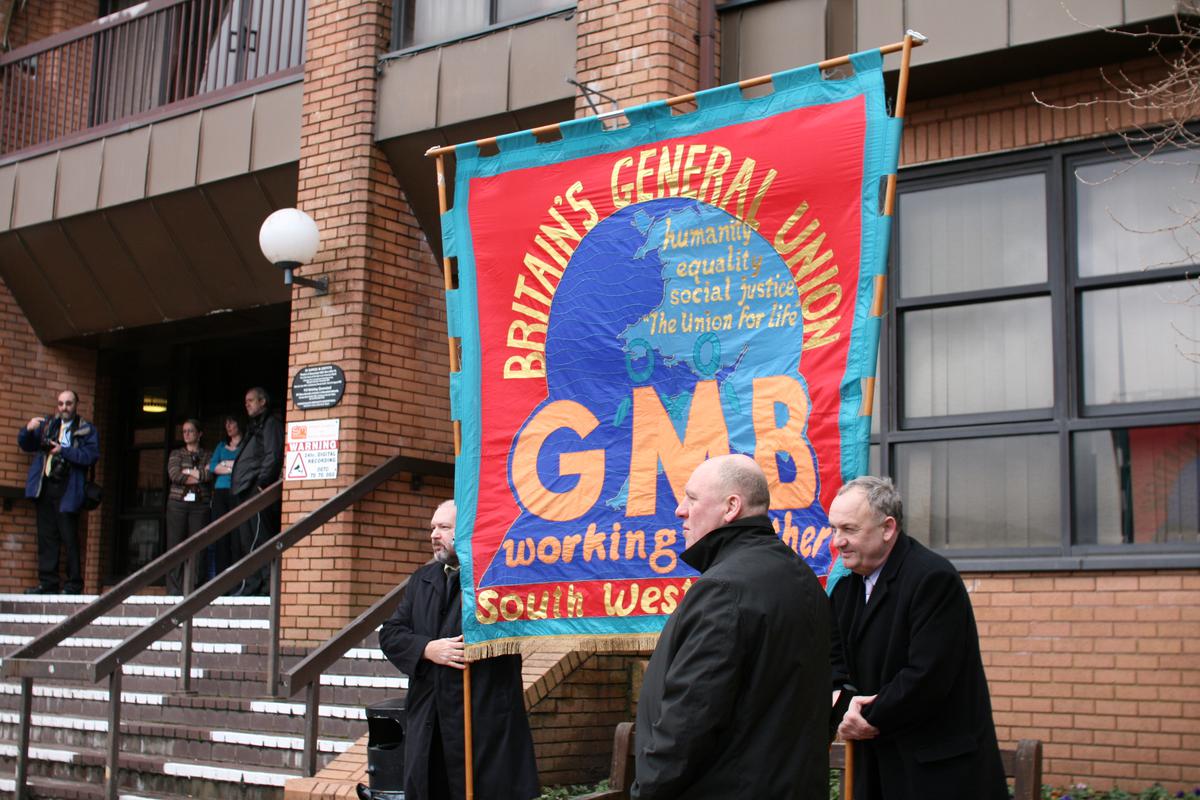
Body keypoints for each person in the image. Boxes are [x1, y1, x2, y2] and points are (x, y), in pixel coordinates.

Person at [632, 454, 830, 800]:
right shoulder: (805, 580)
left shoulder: (722, 591)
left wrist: (648, 787)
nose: (680, 510)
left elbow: (691, 718)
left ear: (731, 507)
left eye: (691, 499)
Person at [828, 476, 1007, 800]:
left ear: (887, 528)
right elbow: (833, 663)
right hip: (876, 766)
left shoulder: (932, 579)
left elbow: (928, 674)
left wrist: (866, 717)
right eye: (834, 529)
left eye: (849, 529)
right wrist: (844, 708)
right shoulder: (845, 590)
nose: (837, 541)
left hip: (936, 772)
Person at [379, 500, 539, 800]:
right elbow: (391, 634)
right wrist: (427, 648)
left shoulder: (495, 578)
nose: (434, 535)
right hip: (430, 724)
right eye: (432, 528)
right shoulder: (421, 580)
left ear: (465, 531)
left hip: (481, 724)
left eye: (444, 527)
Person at [17, 390, 100, 595]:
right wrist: (28, 429)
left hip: (68, 487)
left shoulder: (86, 429)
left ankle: (73, 584)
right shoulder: (48, 425)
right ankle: (48, 583)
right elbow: (26, 444)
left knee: (69, 537)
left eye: (68, 403)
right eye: (61, 404)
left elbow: (90, 456)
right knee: (47, 537)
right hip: (45, 486)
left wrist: (63, 450)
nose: (64, 408)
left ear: (76, 404)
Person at [229, 387, 283, 596]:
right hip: (245, 490)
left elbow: (273, 455)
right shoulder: (254, 427)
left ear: (263, 402)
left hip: (256, 491)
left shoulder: (271, 424)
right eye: (246, 401)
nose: (247, 404)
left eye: (251, 400)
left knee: (258, 540)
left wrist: (262, 483)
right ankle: (254, 585)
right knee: (247, 540)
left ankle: (264, 586)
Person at [164, 419, 212, 595]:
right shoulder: (176, 454)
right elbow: (175, 475)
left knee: (198, 546)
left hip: (200, 505)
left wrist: (190, 474)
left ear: (199, 434)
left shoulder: (208, 454)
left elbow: (210, 474)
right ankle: (174, 591)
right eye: (184, 431)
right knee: (175, 546)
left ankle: (195, 589)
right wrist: (198, 476)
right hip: (178, 504)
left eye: (190, 431)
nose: (186, 434)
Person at [207, 415, 243, 578]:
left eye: (232, 422)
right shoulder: (221, 446)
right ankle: (221, 578)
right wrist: (233, 467)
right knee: (221, 533)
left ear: (239, 423)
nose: (228, 426)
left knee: (237, 533)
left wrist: (225, 465)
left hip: (237, 491)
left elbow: (245, 465)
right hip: (221, 492)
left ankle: (236, 578)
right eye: (226, 423)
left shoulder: (245, 444)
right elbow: (211, 466)